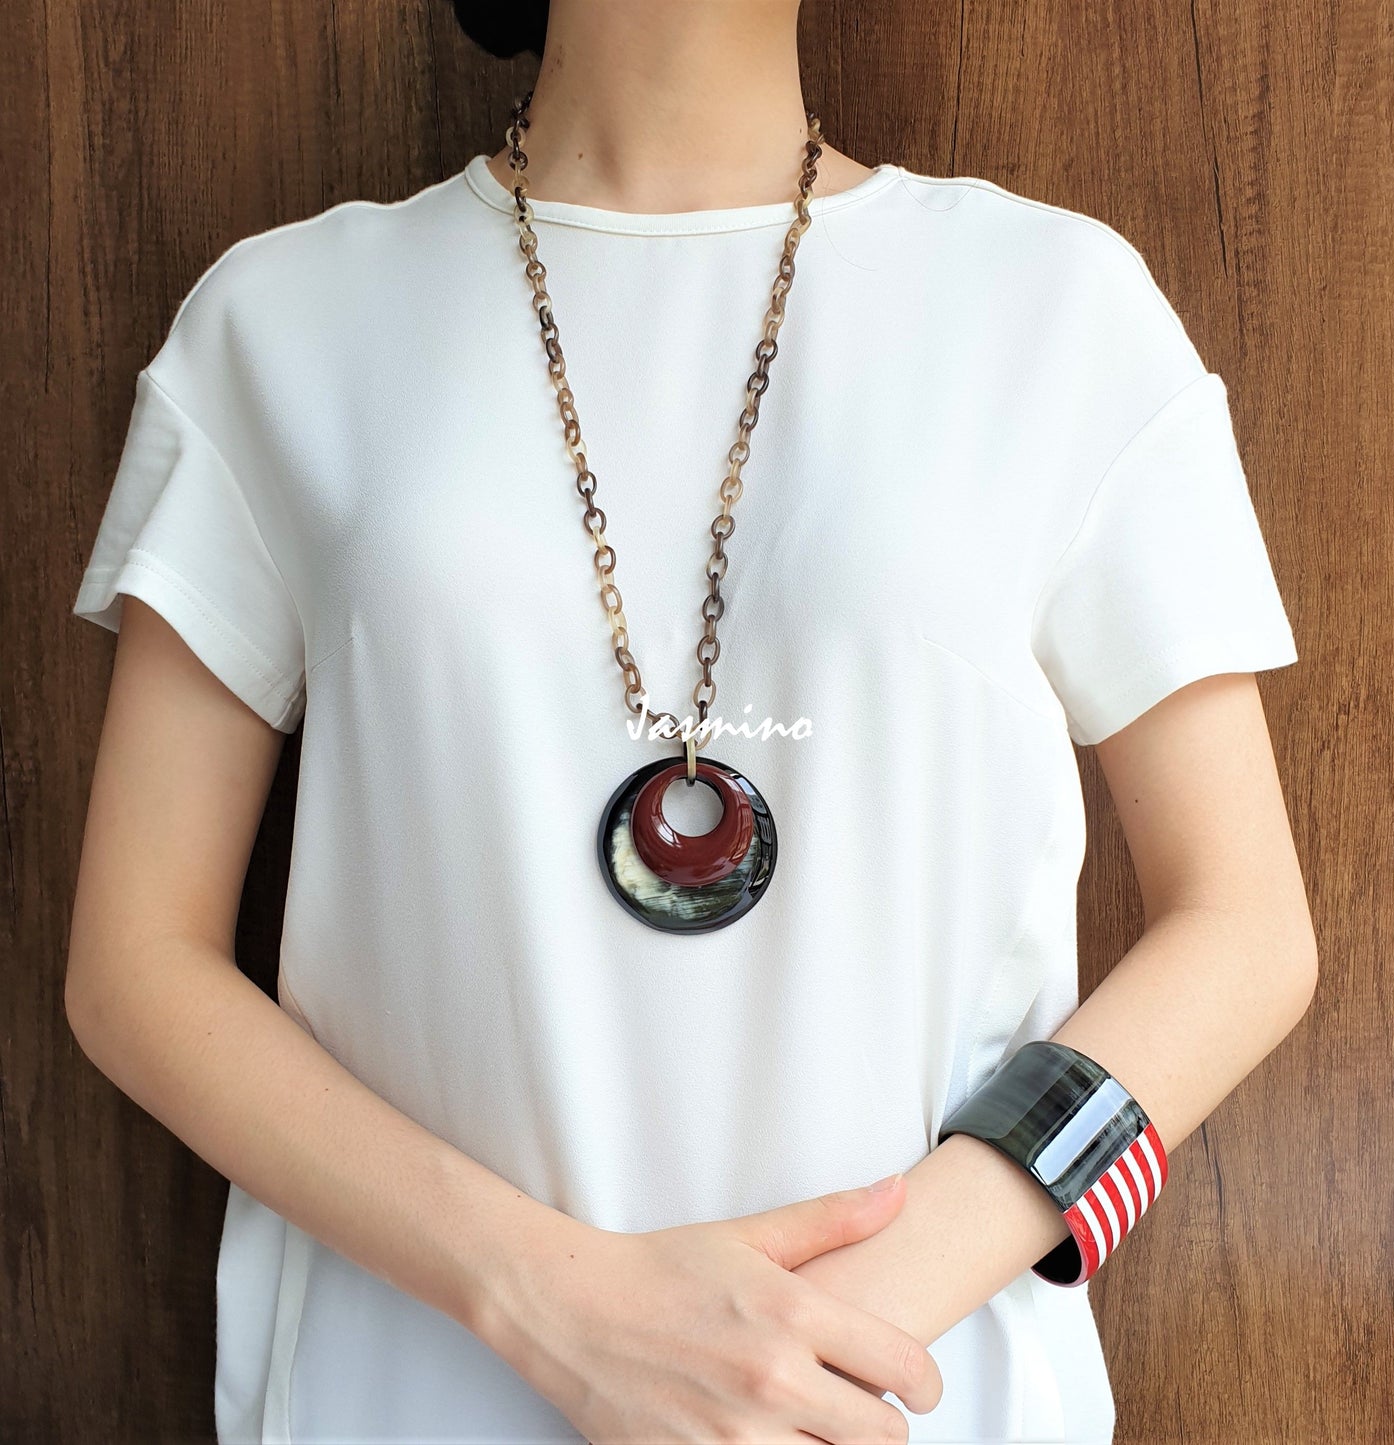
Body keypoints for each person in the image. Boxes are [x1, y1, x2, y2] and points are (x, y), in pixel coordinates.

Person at [64, 2, 1319, 1442]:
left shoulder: (1056, 306)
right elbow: (132, 967)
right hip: (412, 1385)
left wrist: (837, 1328)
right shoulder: (280, 320)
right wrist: (553, 1302)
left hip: (906, 1393)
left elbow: (1246, 935)